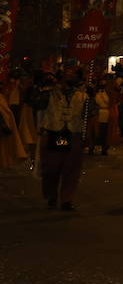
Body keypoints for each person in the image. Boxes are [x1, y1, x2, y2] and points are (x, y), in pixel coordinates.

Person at [35, 69, 89, 211]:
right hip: (54, 134)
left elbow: (89, 116)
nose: (70, 77)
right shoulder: (48, 93)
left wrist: (88, 136)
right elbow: (35, 103)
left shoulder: (84, 96)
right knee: (51, 169)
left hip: (73, 135)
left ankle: (66, 200)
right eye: (67, 75)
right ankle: (51, 196)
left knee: (71, 170)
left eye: (74, 75)